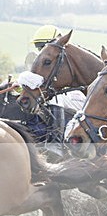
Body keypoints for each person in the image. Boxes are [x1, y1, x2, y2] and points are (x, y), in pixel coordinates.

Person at [17, 25, 86, 156]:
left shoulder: (62, 58)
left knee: (55, 97)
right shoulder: (40, 62)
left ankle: (56, 142)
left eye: (43, 46)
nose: (40, 50)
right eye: (39, 47)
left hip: (72, 96)